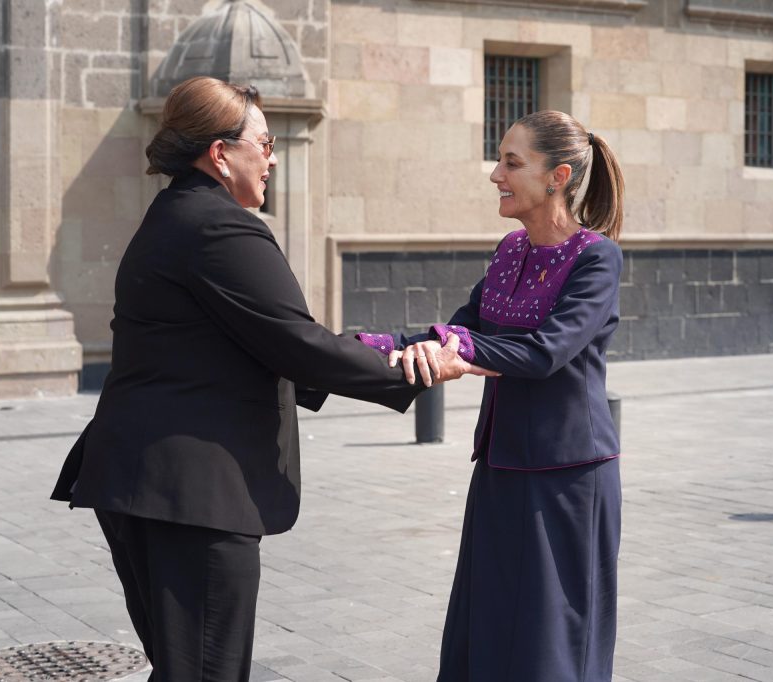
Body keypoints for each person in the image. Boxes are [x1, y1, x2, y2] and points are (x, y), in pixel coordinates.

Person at [50, 76, 493, 682]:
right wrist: (416, 368)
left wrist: (388, 348)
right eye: (264, 142)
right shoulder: (219, 226)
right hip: (191, 493)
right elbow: (297, 343)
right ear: (220, 152)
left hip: (148, 482)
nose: (273, 156)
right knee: (207, 671)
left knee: (184, 669)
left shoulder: (176, 212)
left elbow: (254, 341)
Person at [365, 111, 625, 681]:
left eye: (511, 162)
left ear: (558, 176)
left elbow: (544, 353)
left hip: (569, 477)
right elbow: (461, 329)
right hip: (501, 466)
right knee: (486, 622)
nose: (495, 174)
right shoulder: (510, 249)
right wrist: (366, 347)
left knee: (551, 637)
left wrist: (462, 355)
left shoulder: (596, 259)